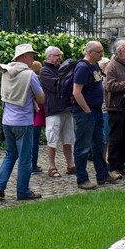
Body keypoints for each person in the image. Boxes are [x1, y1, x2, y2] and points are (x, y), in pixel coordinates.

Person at [0, 44, 45, 201]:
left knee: (10, 154)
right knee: (25, 158)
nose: (33, 59)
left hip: (7, 121)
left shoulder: (6, 71)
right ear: (24, 56)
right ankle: (23, 191)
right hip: (23, 121)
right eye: (31, 56)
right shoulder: (30, 75)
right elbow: (41, 98)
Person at [72, 41, 119, 190]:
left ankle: (103, 175)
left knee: (99, 143)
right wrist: (87, 110)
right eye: (99, 52)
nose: (102, 54)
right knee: (83, 146)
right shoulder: (82, 67)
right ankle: (82, 179)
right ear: (90, 52)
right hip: (85, 112)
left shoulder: (94, 66)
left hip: (96, 111)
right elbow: (76, 92)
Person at [39, 46, 76, 177]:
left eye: (60, 55)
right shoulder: (44, 71)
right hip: (53, 109)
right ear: (49, 57)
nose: (59, 58)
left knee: (68, 138)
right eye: (56, 56)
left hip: (66, 108)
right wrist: (69, 79)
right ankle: (51, 166)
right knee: (52, 139)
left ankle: (70, 164)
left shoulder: (61, 69)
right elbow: (58, 86)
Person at [104, 39, 125, 177]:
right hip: (115, 107)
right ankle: (112, 167)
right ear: (118, 51)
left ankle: (121, 165)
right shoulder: (112, 66)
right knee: (115, 138)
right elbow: (109, 86)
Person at [30, 60, 45, 174]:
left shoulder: (31, 79)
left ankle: (31, 164)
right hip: (38, 114)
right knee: (34, 141)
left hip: (32, 114)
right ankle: (33, 165)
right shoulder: (38, 81)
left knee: (32, 141)